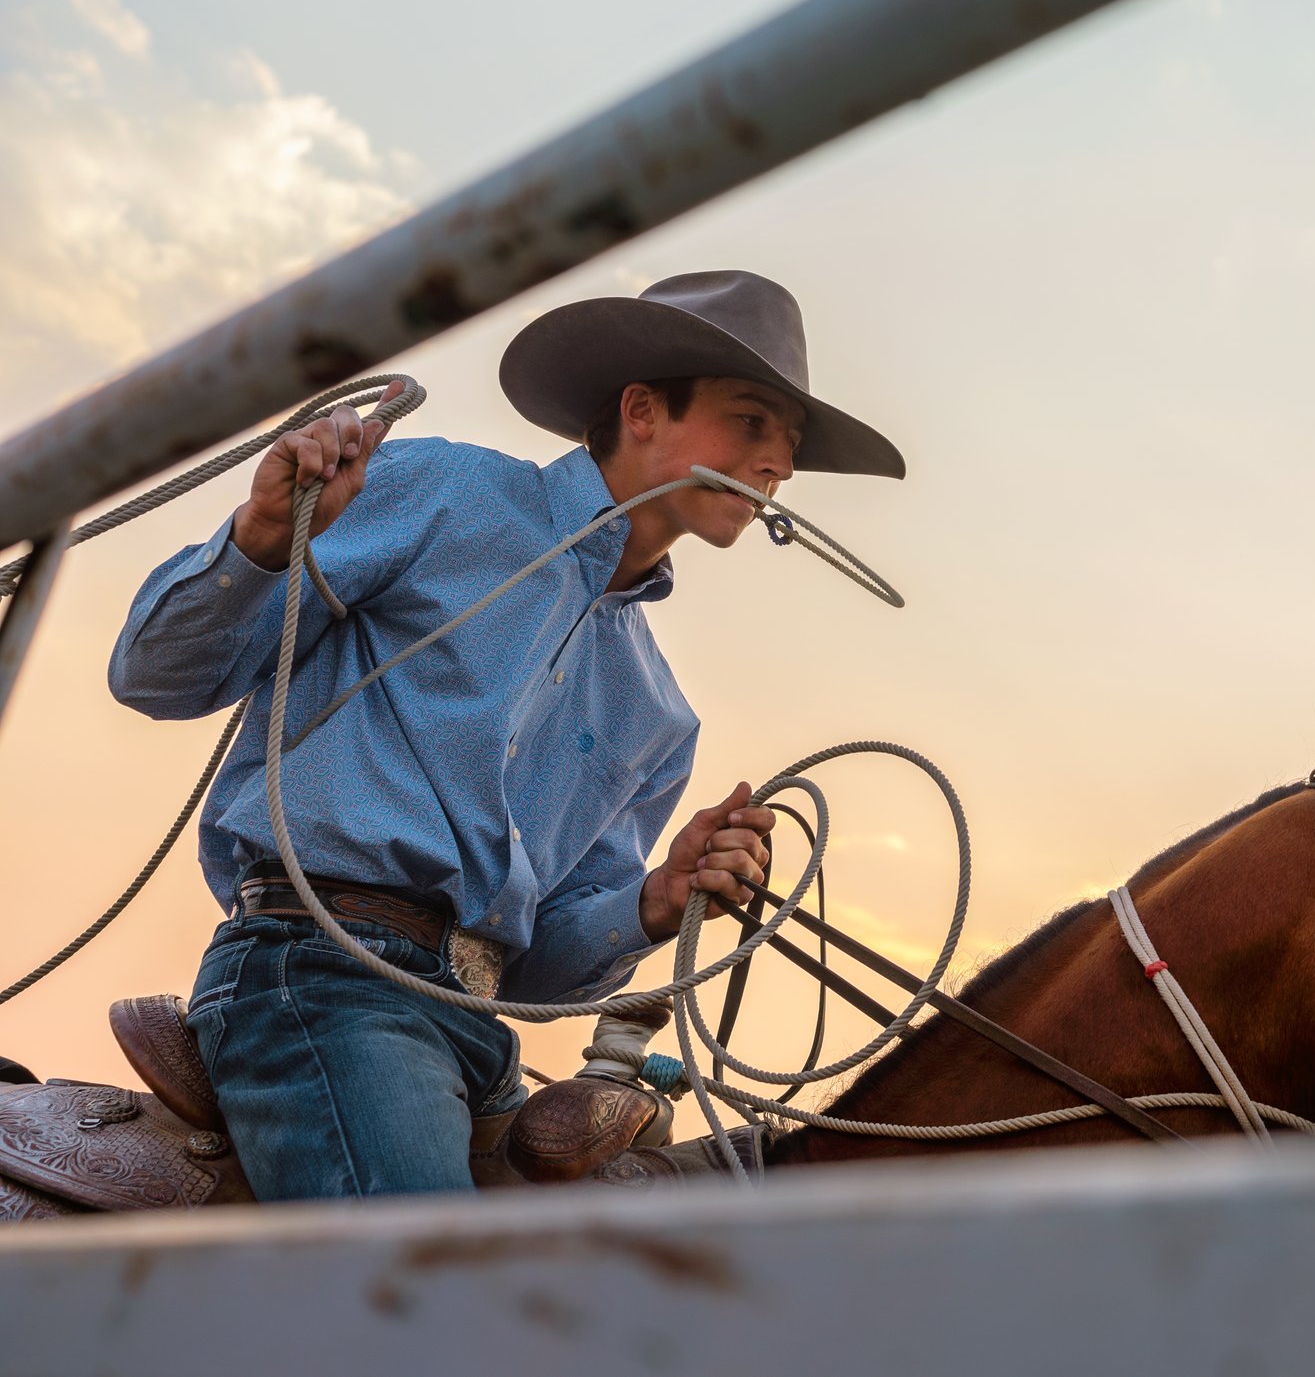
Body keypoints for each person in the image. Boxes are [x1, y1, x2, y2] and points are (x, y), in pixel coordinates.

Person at [107, 270, 904, 1201]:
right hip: (320, 976)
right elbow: (153, 674)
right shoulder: (444, 493)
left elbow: (543, 971)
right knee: (440, 1320)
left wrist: (659, 896)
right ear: (642, 409)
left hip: (481, 1033)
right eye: (754, 422)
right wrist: (260, 535)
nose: (780, 464)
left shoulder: (658, 712)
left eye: (790, 444)